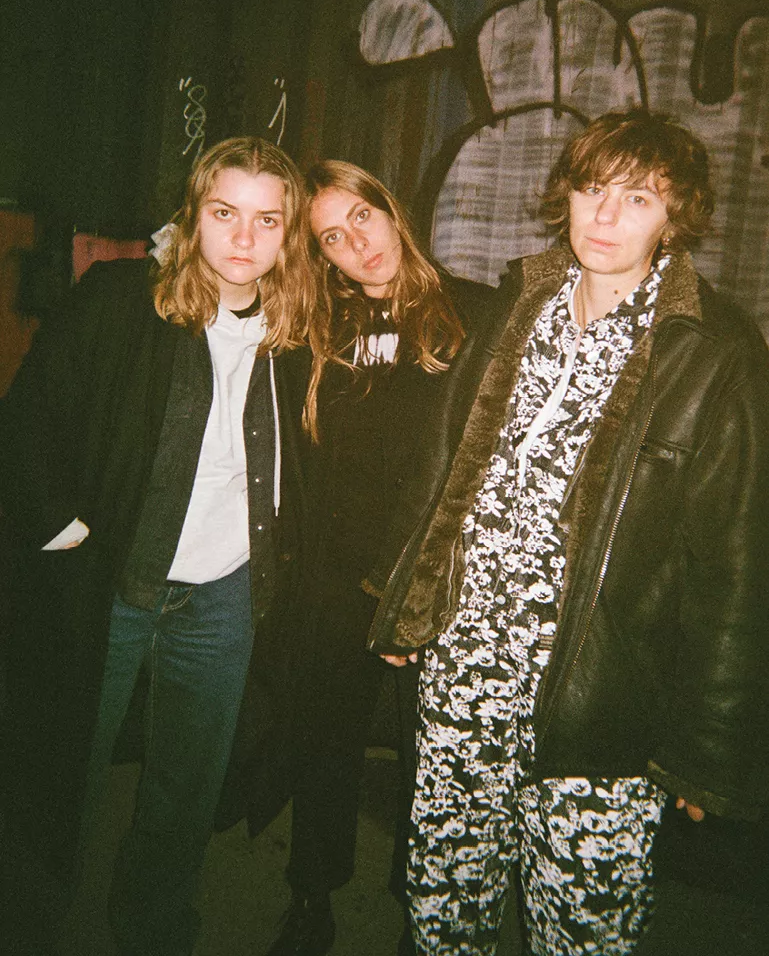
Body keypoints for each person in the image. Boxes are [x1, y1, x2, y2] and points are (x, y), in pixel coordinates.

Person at [366, 111, 769, 956]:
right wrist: (409, 603)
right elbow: (446, 466)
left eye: (636, 198)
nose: (605, 216)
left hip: (601, 701)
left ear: (675, 216)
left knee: (582, 931)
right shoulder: (518, 304)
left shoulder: (712, 349)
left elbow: (734, 561)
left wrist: (708, 748)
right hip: (466, 673)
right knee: (444, 906)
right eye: (591, 189)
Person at [1, 137, 312, 956]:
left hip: (224, 592)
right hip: (113, 578)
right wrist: (60, 526)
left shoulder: (297, 331)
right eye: (224, 213)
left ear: (288, 235)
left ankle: (154, 926)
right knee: (59, 764)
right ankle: (30, 922)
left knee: (186, 786)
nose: (243, 237)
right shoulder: (121, 298)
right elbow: (29, 417)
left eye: (267, 220)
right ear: (193, 214)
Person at [261, 161, 492, 956]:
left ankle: (420, 912)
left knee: (432, 760)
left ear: (390, 211)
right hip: (335, 577)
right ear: (321, 256)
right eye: (331, 236)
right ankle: (311, 895)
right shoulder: (317, 330)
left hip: (433, 581)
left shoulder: (475, 315)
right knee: (323, 740)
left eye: (361, 216)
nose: (356, 243)